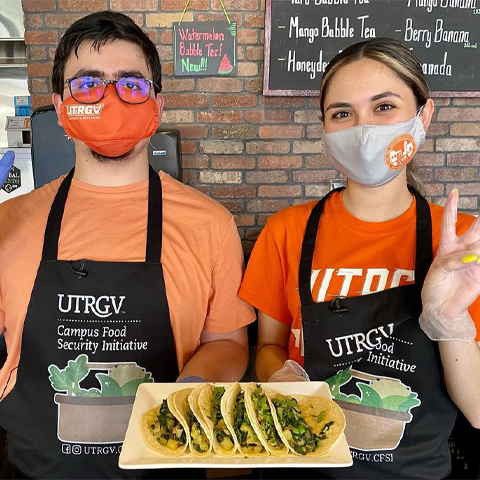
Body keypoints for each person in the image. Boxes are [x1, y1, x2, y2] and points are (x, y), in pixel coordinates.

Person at [0, 11, 255, 479]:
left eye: (132, 85)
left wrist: (189, 391)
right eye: (88, 85)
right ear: (60, 106)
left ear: (157, 102)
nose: (111, 99)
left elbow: (228, 344)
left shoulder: (210, 225)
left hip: (168, 465)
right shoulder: (9, 222)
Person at [239, 38, 480, 479]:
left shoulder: (464, 244)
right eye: (342, 113)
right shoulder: (286, 231)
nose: (363, 128)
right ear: (326, 128)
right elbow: (269, 349)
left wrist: (451, 322)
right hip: (300, 463)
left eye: (384, 106)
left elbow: (479, 410)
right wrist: (279, 377)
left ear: (423, 116)